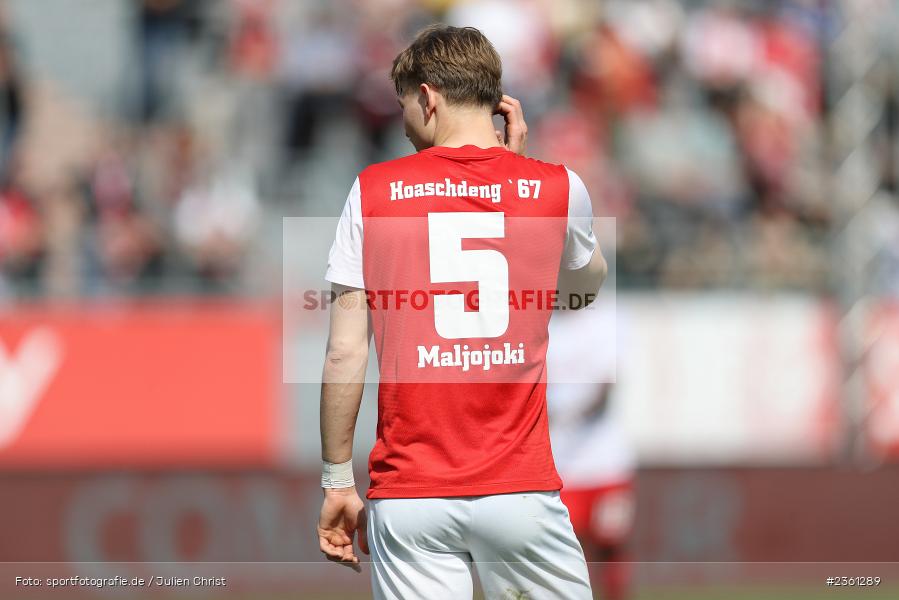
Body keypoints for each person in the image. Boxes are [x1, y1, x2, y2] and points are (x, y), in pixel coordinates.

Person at [317, 25, 608, 599]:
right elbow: (584, 287)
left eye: (405, 106)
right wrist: (523, 195)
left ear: (428, 98)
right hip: (520, 491)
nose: (404, 124)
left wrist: (335, 481)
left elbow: (344, 351)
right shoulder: (556, 187)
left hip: (411, 495)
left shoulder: (371, 191)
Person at [547, 304, 637, 600]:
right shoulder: (542, 326)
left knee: (611, 543)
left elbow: (606, 387)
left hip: (605, 462)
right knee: (566, 550)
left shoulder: (607, 322)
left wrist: (567, 415)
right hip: (560, 466)